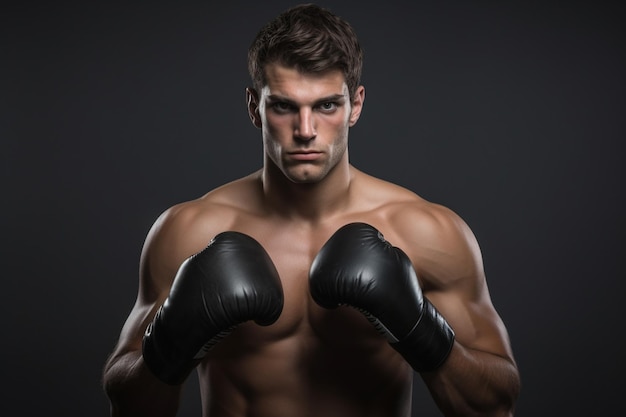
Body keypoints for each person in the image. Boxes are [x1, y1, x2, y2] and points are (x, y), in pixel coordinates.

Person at [102, 4, 520, 417]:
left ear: (355, 105)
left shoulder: (426, 232)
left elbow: (495, 406)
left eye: (326, 106)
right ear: (254, 107)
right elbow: (127, 402)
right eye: (284, 106)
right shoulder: (189, 231)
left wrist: (420, 329)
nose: (305, 131)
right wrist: (170, 344)